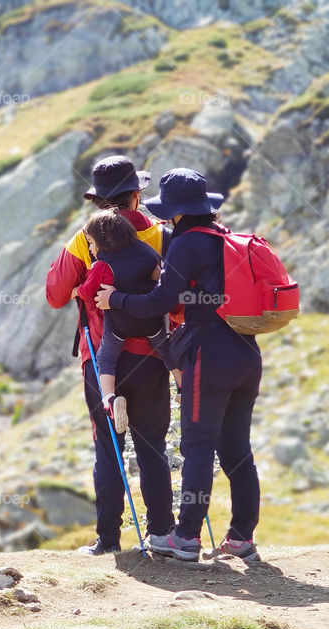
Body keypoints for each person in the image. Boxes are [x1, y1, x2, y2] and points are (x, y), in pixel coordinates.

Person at [97, 168, 263, 562]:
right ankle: (242, 538)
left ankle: (186, 536)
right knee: (238, 448)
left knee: (198, 446)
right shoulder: (224, 238)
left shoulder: (186, 243)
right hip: (247, 353)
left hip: (209, 354)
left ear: (176, 213)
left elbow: (160, 302)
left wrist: (116, 300)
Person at [45, 156, 174, 556]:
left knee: (109, 446)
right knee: (152, 444)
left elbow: (54, 295)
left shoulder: (85, 240)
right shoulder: (161, 235)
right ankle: (163, 534)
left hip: (103, 361)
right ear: (137, 195)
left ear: (99, 201)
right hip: (153, 353)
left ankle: (108, 539)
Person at [73, 211, 182, 432]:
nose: (91, 249)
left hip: (118, 324)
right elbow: (159, 277)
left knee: (106, 357)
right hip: (149, 319)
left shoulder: (102, 266)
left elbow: (87, 292)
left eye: (92, 243)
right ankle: (182, 386)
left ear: (104, 240)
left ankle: (110, 399)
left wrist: (76, 290)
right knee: (165, 349)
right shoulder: (148, 253)